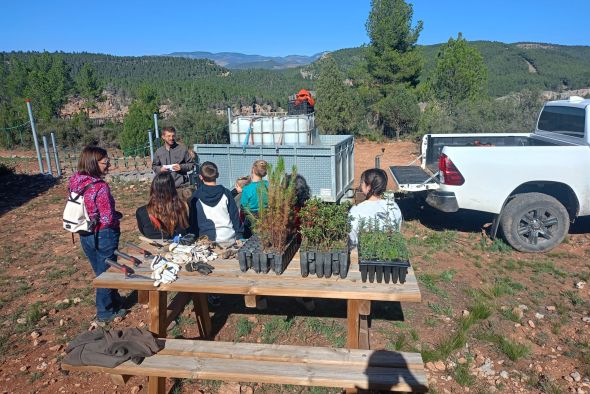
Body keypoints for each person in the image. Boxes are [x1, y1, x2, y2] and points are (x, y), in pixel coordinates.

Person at [68, 146, 125, 323]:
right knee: (105, 272)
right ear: (94, 163)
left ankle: (114, 299)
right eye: (105, 162)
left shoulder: (75, 180)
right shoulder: (100, 187)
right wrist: (118, 216)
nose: (108, 165)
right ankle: (105, 312)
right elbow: (107, 218)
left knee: (100, 269)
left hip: (84, 232)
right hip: (104, 234)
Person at [189, 162, 243, 246]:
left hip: (206, 240)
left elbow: (193, 222)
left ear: (200, 177)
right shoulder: (226, 193)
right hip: (228, 239)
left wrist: (194, 237)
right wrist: (239, 235)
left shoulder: (196, 196)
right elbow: (235, 216)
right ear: (217, 175)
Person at [349, 168, 403, 247]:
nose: (360, 185)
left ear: (368, 187)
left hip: (365, 252)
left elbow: (352, 237)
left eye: (362, 182)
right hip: (390, 250)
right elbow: (396, 229)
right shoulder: (393, 206)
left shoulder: (356, 209)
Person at [136, 172, 189, 240]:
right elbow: (186, 229)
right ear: (173, 188)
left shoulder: (141, 212)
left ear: (153, 188)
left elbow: (143, 232)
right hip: (178, 247)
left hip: (152, 247)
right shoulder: (183, 207)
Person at [152, 126, 195, 199]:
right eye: (168, 136)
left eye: (173, 136)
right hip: (165, 189)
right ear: (163, 137)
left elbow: (191, 165)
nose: (171, 138)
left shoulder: (182, 149)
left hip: (181, 188)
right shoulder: (159, 152)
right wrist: (160, 169)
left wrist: (181, 167)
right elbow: (154, 166)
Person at [240, 160, 268, 238]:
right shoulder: (269, 185)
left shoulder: (247, 188)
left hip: (251, 221)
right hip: (267, 219)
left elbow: (243, 207)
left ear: (253, 170)